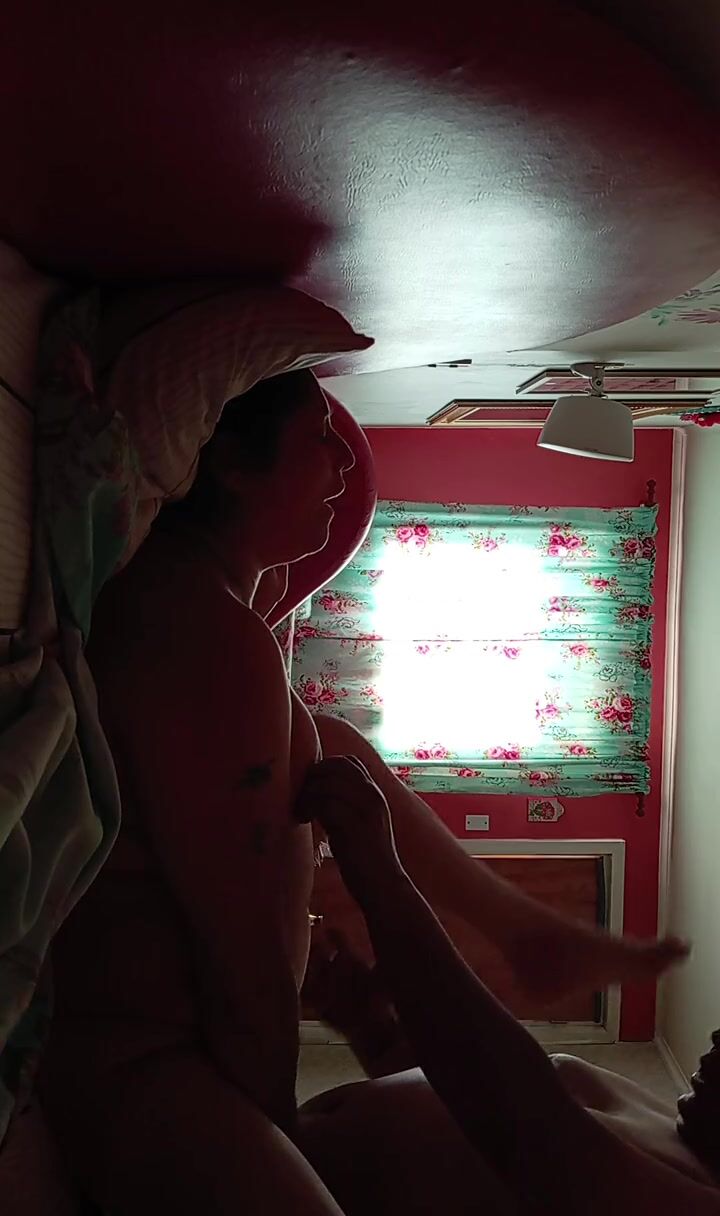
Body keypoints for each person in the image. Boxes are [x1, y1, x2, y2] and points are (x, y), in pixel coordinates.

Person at [40, 368, 685, 1215]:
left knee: (329, 741)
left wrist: (339, 1057)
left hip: (183, 1055)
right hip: (153, 1054)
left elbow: (525, 1126)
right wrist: (273, 1118)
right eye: (322, 439)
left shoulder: (214, 615)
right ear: (231, 466)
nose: (347, 461)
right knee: (328, 742)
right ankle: (525, 933)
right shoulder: (208, 625)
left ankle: (525, 933)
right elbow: (245, 960)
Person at [296, 756, 720, 1216]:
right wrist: (370, 1027)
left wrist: (382, 879)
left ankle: (527, 937)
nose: (717, 1040)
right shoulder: (674, 1130)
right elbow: (465, 1096)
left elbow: (518, 1116)